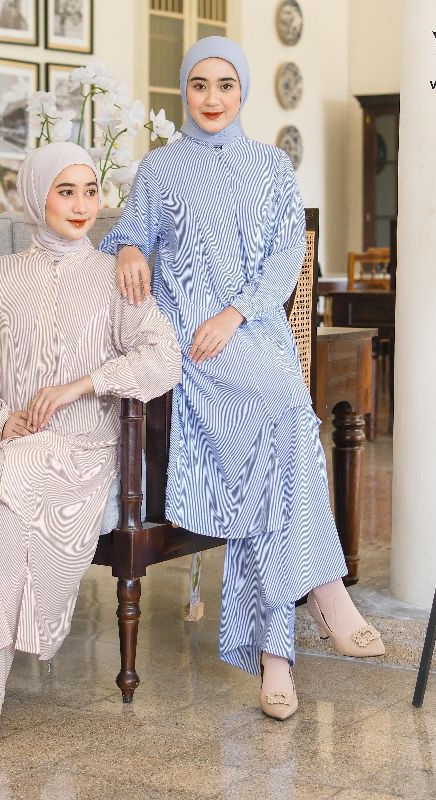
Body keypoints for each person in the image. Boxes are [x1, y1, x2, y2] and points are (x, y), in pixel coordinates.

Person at [100, 36, 384, 721]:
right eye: (199, 84)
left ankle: (278, 656)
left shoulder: (271, 166)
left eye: (225, 84)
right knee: (288, 419)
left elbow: (286, 259)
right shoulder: (160, 169)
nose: (212, 98)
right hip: (192, 345)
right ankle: (323, 597)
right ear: (183, 91)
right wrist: (131, 246)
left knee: (276, 436)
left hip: (251, 331)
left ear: (243, 91)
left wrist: (235, 313)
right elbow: (130, 234)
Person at [0, 141, 181, 768]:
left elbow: (162, 357)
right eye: (66, 191)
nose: (82, 205)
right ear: (37, 197)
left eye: (90, 191)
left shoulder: (114, 275)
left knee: (7, 485)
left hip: (79, 445)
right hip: (2, 434)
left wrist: (81, 385)